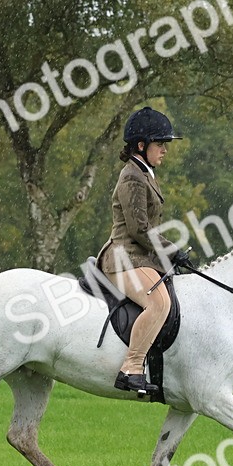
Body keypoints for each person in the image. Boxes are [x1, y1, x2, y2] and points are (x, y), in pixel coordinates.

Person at [97, 106, 186, 394]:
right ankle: (131, 367)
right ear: (141, 145)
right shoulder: (132, 176)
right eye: (160, 144)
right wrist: (172, 250)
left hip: (140, 257)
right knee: (158, 303)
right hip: (123, 257)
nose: (164, 150)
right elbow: (139, 228)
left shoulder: (145, 173)